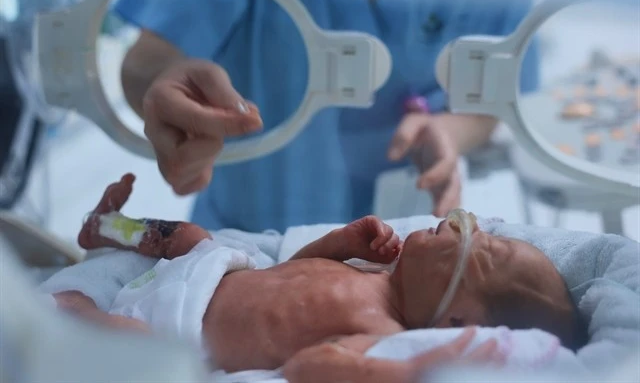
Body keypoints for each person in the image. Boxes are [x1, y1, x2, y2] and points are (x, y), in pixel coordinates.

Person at [114, 0, 539, 234]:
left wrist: (452, 130)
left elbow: (495, 95)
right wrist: (169, 94)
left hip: (408, 245)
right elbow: (147, 62)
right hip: (249, 242)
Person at [52, 174, 584, 380]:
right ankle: (106, 227)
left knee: (144, 357)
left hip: (182, 327)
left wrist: (396, 373)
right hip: (223, 272)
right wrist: (340, 244)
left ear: (456, 318)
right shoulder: (377, 270)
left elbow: (308, 366)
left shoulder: (385, 335)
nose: (454, 223)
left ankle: (81, 319)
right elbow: (293, 272)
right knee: (186, 233)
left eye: (474, 247)